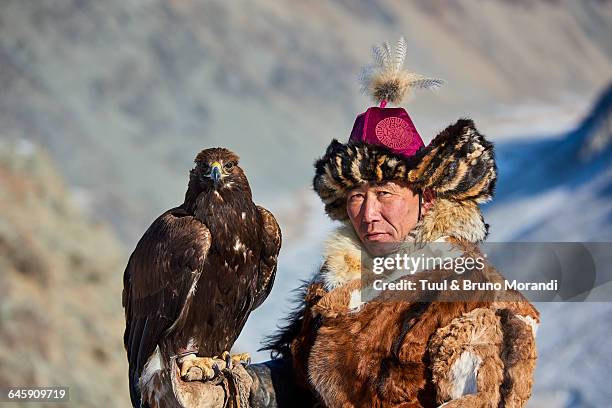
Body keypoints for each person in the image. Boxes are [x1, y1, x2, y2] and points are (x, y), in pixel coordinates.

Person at [170, 38, 540, 408]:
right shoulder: (336, 287)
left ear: (425, 199)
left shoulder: (468, 293)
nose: (367, 213)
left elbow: (484, 395)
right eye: (357, 197)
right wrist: (238, 390)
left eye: (384, 194)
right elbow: (303, 384)